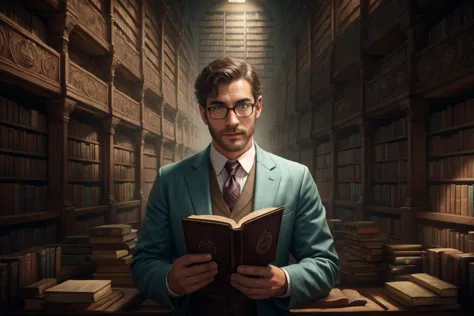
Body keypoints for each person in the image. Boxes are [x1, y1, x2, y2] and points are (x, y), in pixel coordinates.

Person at [131, 57, 339, 316]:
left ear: (258, 106)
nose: (232, 121)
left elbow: (326, 264)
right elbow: (143, 264)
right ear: (203, 114)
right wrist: (170, 280)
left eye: (242, 106)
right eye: (219, 108)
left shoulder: (296, 178)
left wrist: (285, 280)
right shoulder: (170, 180)